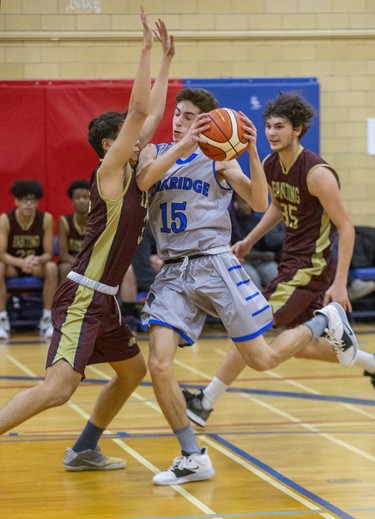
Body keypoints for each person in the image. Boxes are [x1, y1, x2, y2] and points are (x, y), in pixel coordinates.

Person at [136, 87, 358, 486]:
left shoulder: (219, 160)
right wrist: (182, 143)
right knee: (158, 364)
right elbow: (144, 180)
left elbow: (258, 201)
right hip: (172, 271)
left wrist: (251, 154)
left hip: (214, 263)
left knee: (262, 359)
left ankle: (324, 321)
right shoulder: (156, 152)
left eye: (190, 117)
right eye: (178, 114)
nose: (179, 121)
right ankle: (191, 454)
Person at [0, 8, 175, 473]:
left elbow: (152, 112)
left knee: (132, 371)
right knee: (58, 390)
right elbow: (140, 112)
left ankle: (83, 449)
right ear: (107, 146)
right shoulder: (110, 173)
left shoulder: (135, 172)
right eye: (128, 137)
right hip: (82, 297)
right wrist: (143, 48)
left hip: (107, 302)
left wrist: (166, 61)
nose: (140, 138)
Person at [183, 92, 375, 428]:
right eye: (269, 126)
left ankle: (205, 400)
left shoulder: (317, 173)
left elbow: (346, 228)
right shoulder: (273, 164)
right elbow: (277, 207)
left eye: (280, 127)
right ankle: (372, 363)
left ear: (298, 129)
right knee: (298, 346)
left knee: (251, 326)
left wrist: (340, 284)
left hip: (310, 266)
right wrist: (247, 241)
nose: (272, 133)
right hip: (292, 262)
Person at [0, 180, 58, 339]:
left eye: (32, 200)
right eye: (24, 200)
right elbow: (1, 253)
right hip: (13, 265)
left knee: (52, 267)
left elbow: (48, 253)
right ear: (16, 201)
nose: (28, 204)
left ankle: (47, 318)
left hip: (35, 265)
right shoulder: (5, 219)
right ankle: (2, 319)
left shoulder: (46, 219)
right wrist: (20, 262)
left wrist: (36, 260)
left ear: (37, 202)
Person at [229, 191, 284, 289]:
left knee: (276, 275)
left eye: (250, 202)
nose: (248, 206)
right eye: (244, 202)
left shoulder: (256, 221)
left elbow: (267, 244)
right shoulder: (230, 221)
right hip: (242, 261)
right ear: (236, 202)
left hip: (261, 260)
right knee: (253, 279)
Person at [58, 179, 90, 282]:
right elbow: (63, 255)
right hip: (72, 263)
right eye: (77, 197)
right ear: (72, 201)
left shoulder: (99, 221)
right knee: (64, 268)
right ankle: (65, 298)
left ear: (91, 199)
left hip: (92, 263)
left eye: (85, 197)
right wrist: (79, 264)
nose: (81, 200)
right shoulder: (65, 221)